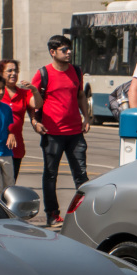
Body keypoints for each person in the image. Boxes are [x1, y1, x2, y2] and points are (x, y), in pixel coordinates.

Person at [32, 35, 91, 227]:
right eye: (64, 50)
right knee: (51, 174)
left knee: (81, 175)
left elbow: (80, 94)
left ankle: (84, 214)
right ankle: (52, 214)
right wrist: (34, 121)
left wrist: (86, 118)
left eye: (69, 49)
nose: (69, 53)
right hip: (52, 133)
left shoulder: (76, 71)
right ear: (53, 52)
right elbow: (31, 102)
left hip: (75, 132)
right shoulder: (43, 74)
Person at [0, 60, 34, 179]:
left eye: (16, 71)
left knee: (9, 186)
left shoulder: (23, 93)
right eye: (10, 71)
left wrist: (35, 90)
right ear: (0, 73)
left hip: (15, 147)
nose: (14, 73)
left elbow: (36, 106)